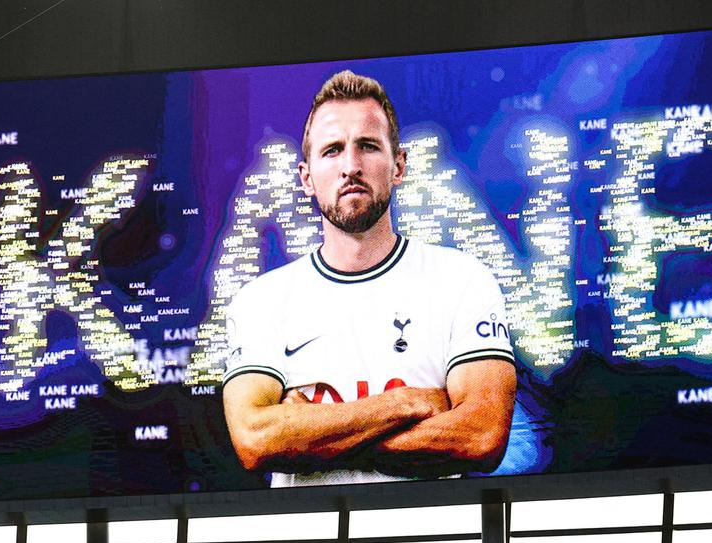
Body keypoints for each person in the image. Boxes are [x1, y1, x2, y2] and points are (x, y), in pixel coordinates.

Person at [221, 69, 517, 487]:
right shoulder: (261, 301)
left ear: (398, 166)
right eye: (332, 151)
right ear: (306, 178)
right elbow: (255, 440)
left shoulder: (462, 280)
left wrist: (308, 432)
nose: (351, 166)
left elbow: (481, 436)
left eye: (368, 146)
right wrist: (403, 405)